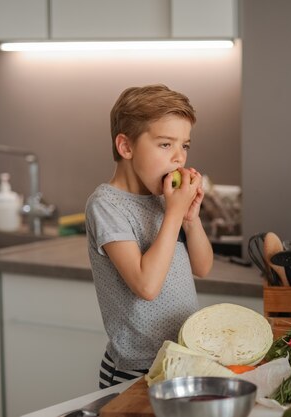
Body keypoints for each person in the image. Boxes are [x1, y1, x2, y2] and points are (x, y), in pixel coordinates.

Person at [85, 84, 213, 388]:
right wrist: (173, 213)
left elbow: (203, 267)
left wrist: (190, 219)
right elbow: (146, 285)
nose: (179, 158)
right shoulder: (106, 205)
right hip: (135, 369)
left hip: (181, 360)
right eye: (165, 145)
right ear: (126, 147)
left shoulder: (163, 199)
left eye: (185, 146)